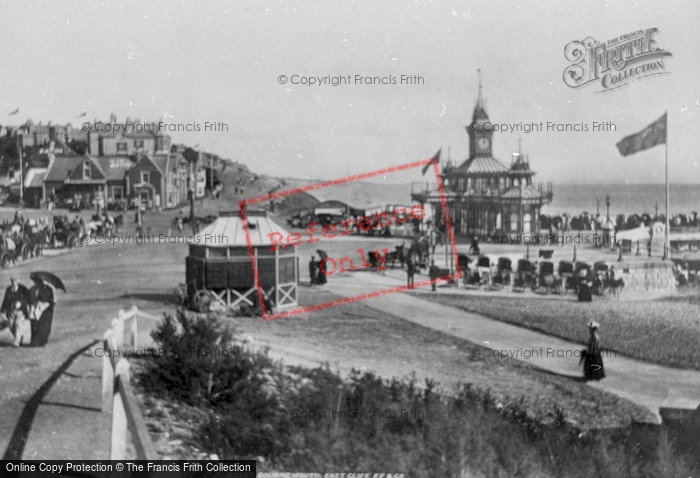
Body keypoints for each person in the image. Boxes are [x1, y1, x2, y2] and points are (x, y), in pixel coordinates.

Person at [1, 277, 31, 346]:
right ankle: (19, 337)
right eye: (12, 281)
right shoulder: (9, 289)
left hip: (21, 311)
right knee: (10, 325)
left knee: (18, 324)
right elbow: (5, 301)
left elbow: (28, 299)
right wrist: (2, 311)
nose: (13, 282)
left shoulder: (23, 289)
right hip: (11, 311)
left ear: (18, 281)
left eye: (15, 281)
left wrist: (21, 302)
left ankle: (17, 341)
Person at [29, 276, 56, 346]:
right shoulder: (34, 288)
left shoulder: (50, 289)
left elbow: (52, 301)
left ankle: (42, 342)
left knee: (44, 327)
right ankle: (35, 341)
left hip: (46, 310)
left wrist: (47, 305)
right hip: (36, 309)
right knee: (35, 325)